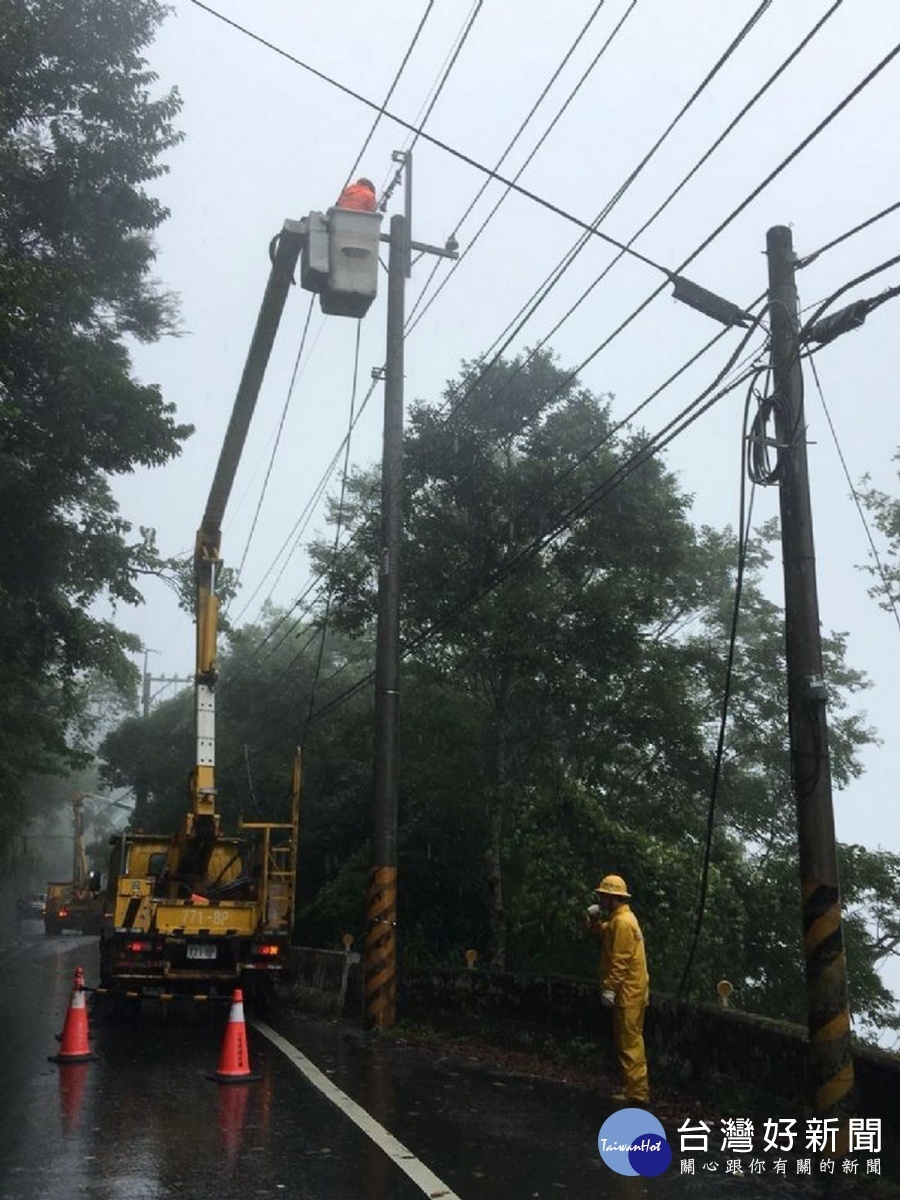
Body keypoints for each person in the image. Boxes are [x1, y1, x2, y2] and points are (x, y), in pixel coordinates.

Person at [585, 873, 650, 1104]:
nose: (601, 900)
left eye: (604, 896)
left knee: (630, 1043)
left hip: (628, 992)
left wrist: (610, 988)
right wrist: (594, 920)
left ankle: (637, 1094)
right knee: (628, 1041)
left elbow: (619, 960)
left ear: (613, 898)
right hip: (632, 990)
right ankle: (633, 1089)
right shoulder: (619, 919)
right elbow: (602, 934)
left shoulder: (622, 922)